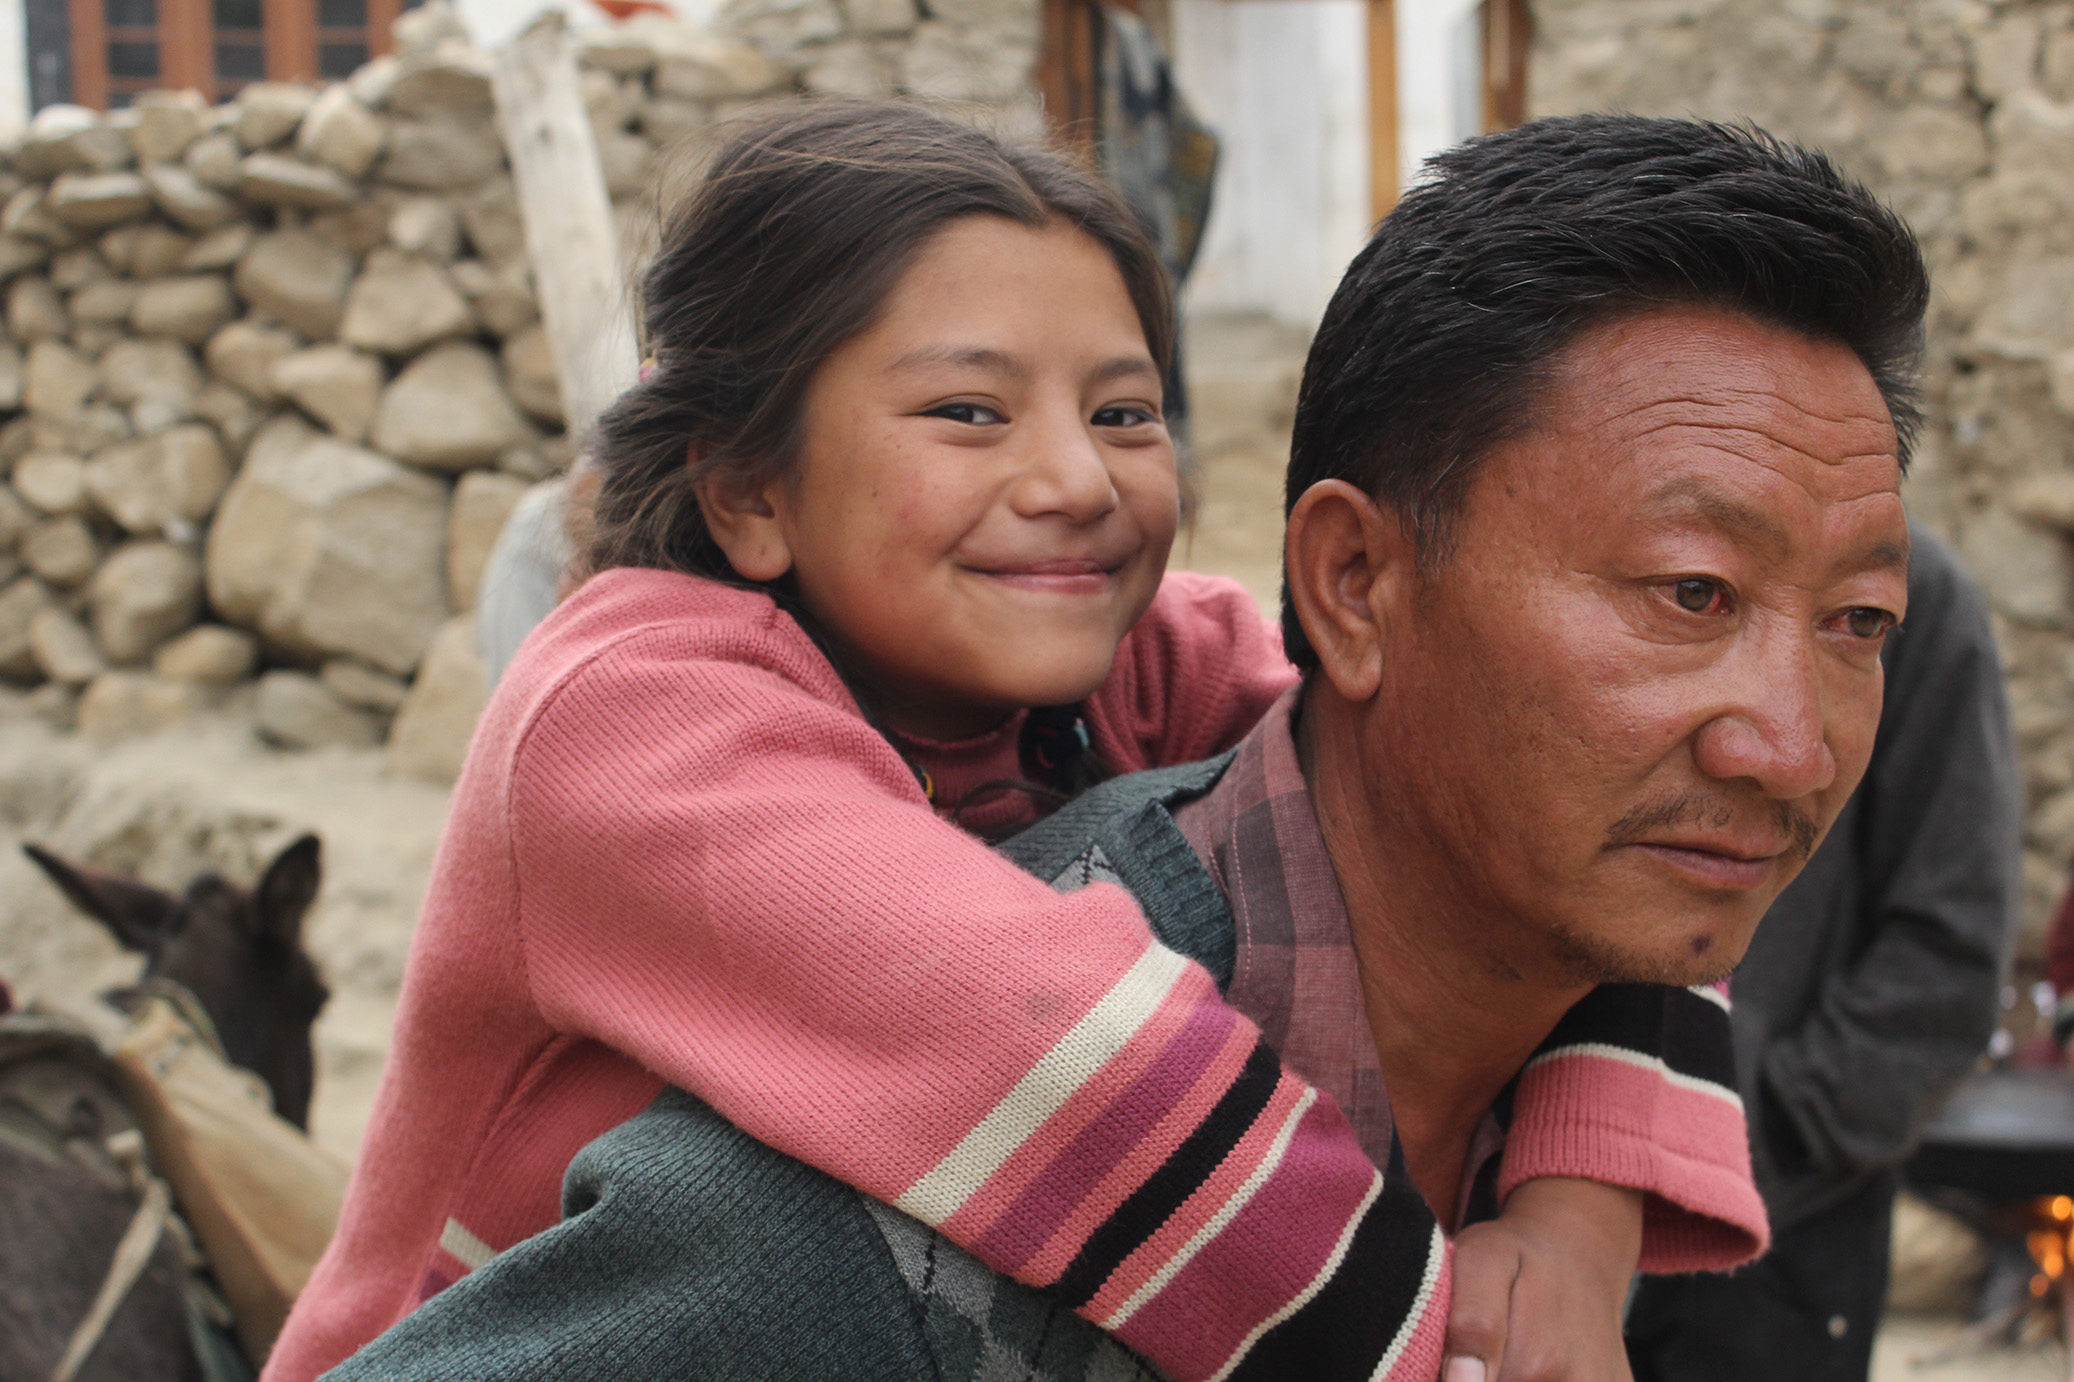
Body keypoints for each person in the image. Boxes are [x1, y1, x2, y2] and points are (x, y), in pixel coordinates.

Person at [319, 111, 1925, 1381]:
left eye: (1123, 410)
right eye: (967, 413)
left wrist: (1573, 1224)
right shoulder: (629, 716)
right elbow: (1037, 1044)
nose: (1074, 479)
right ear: (745, 485)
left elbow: (1580, 832)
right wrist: (1431, 1326)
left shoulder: (1136, 662)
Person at [1625, 525, 2018, 1382]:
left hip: (1779, 1237)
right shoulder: (1641, 546)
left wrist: (1770, 1128)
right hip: (1554, 1191)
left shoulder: (1920, 599)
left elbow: (1950, 950)